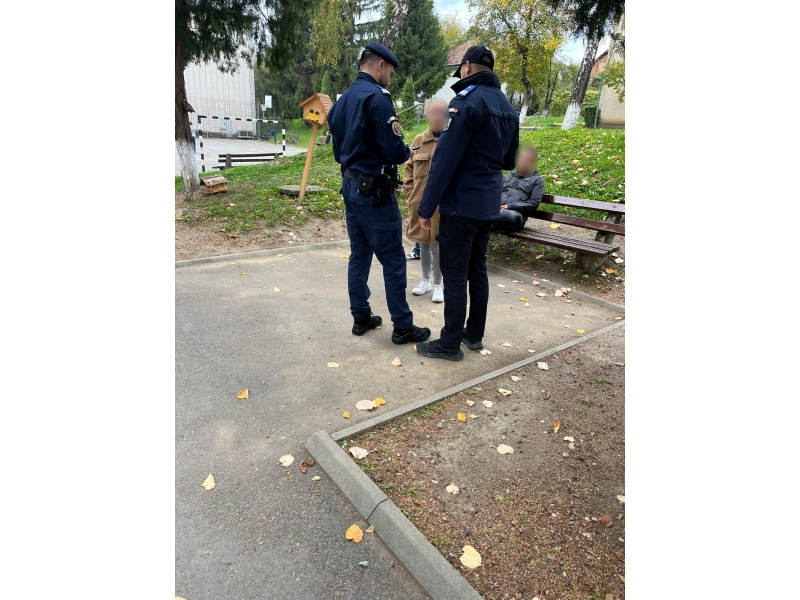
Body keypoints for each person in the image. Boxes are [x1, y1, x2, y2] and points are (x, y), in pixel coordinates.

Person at [415, 45, 519, 361]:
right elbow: (508, 160)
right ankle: (473, 334)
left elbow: (445, 160)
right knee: (478, 270)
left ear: (468, 67)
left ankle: (449, 343)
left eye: (460, 68)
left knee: (455, 274)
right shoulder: (507, 107)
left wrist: (425, 208)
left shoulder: (464, 103)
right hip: (488, 204)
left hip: (461, 205)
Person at [326, 42, 431, 345]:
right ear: (381, 66)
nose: (390, 79)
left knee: (359, 255)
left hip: (350, 186)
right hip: (374, 193)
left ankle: (361, 317)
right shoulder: (378, 99)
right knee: (394, 261)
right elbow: (393, 150)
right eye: (391, 73)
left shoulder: (342, 101)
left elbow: (338, 151)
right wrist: (405, 152)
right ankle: (403, 326)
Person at [403, 98, 449, 303]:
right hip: (420, 204)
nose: (437, 116)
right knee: (423, 243)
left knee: (437, 245)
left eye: (441, 112)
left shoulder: (452, 140)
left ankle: (438, 284)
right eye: (433, 112)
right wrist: (410, 193)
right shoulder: (418, 140)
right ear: (427, 115)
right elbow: (409, 168)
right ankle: (425, 281)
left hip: (442, 206)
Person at [492, 146, 546, 233]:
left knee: (503, 214)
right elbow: (495, 192)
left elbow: (533, 203)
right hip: (497, 210)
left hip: (515, 215)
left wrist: (510, 206)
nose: (523, 162)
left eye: (527, 160)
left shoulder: (537, 180)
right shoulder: (510, 176)